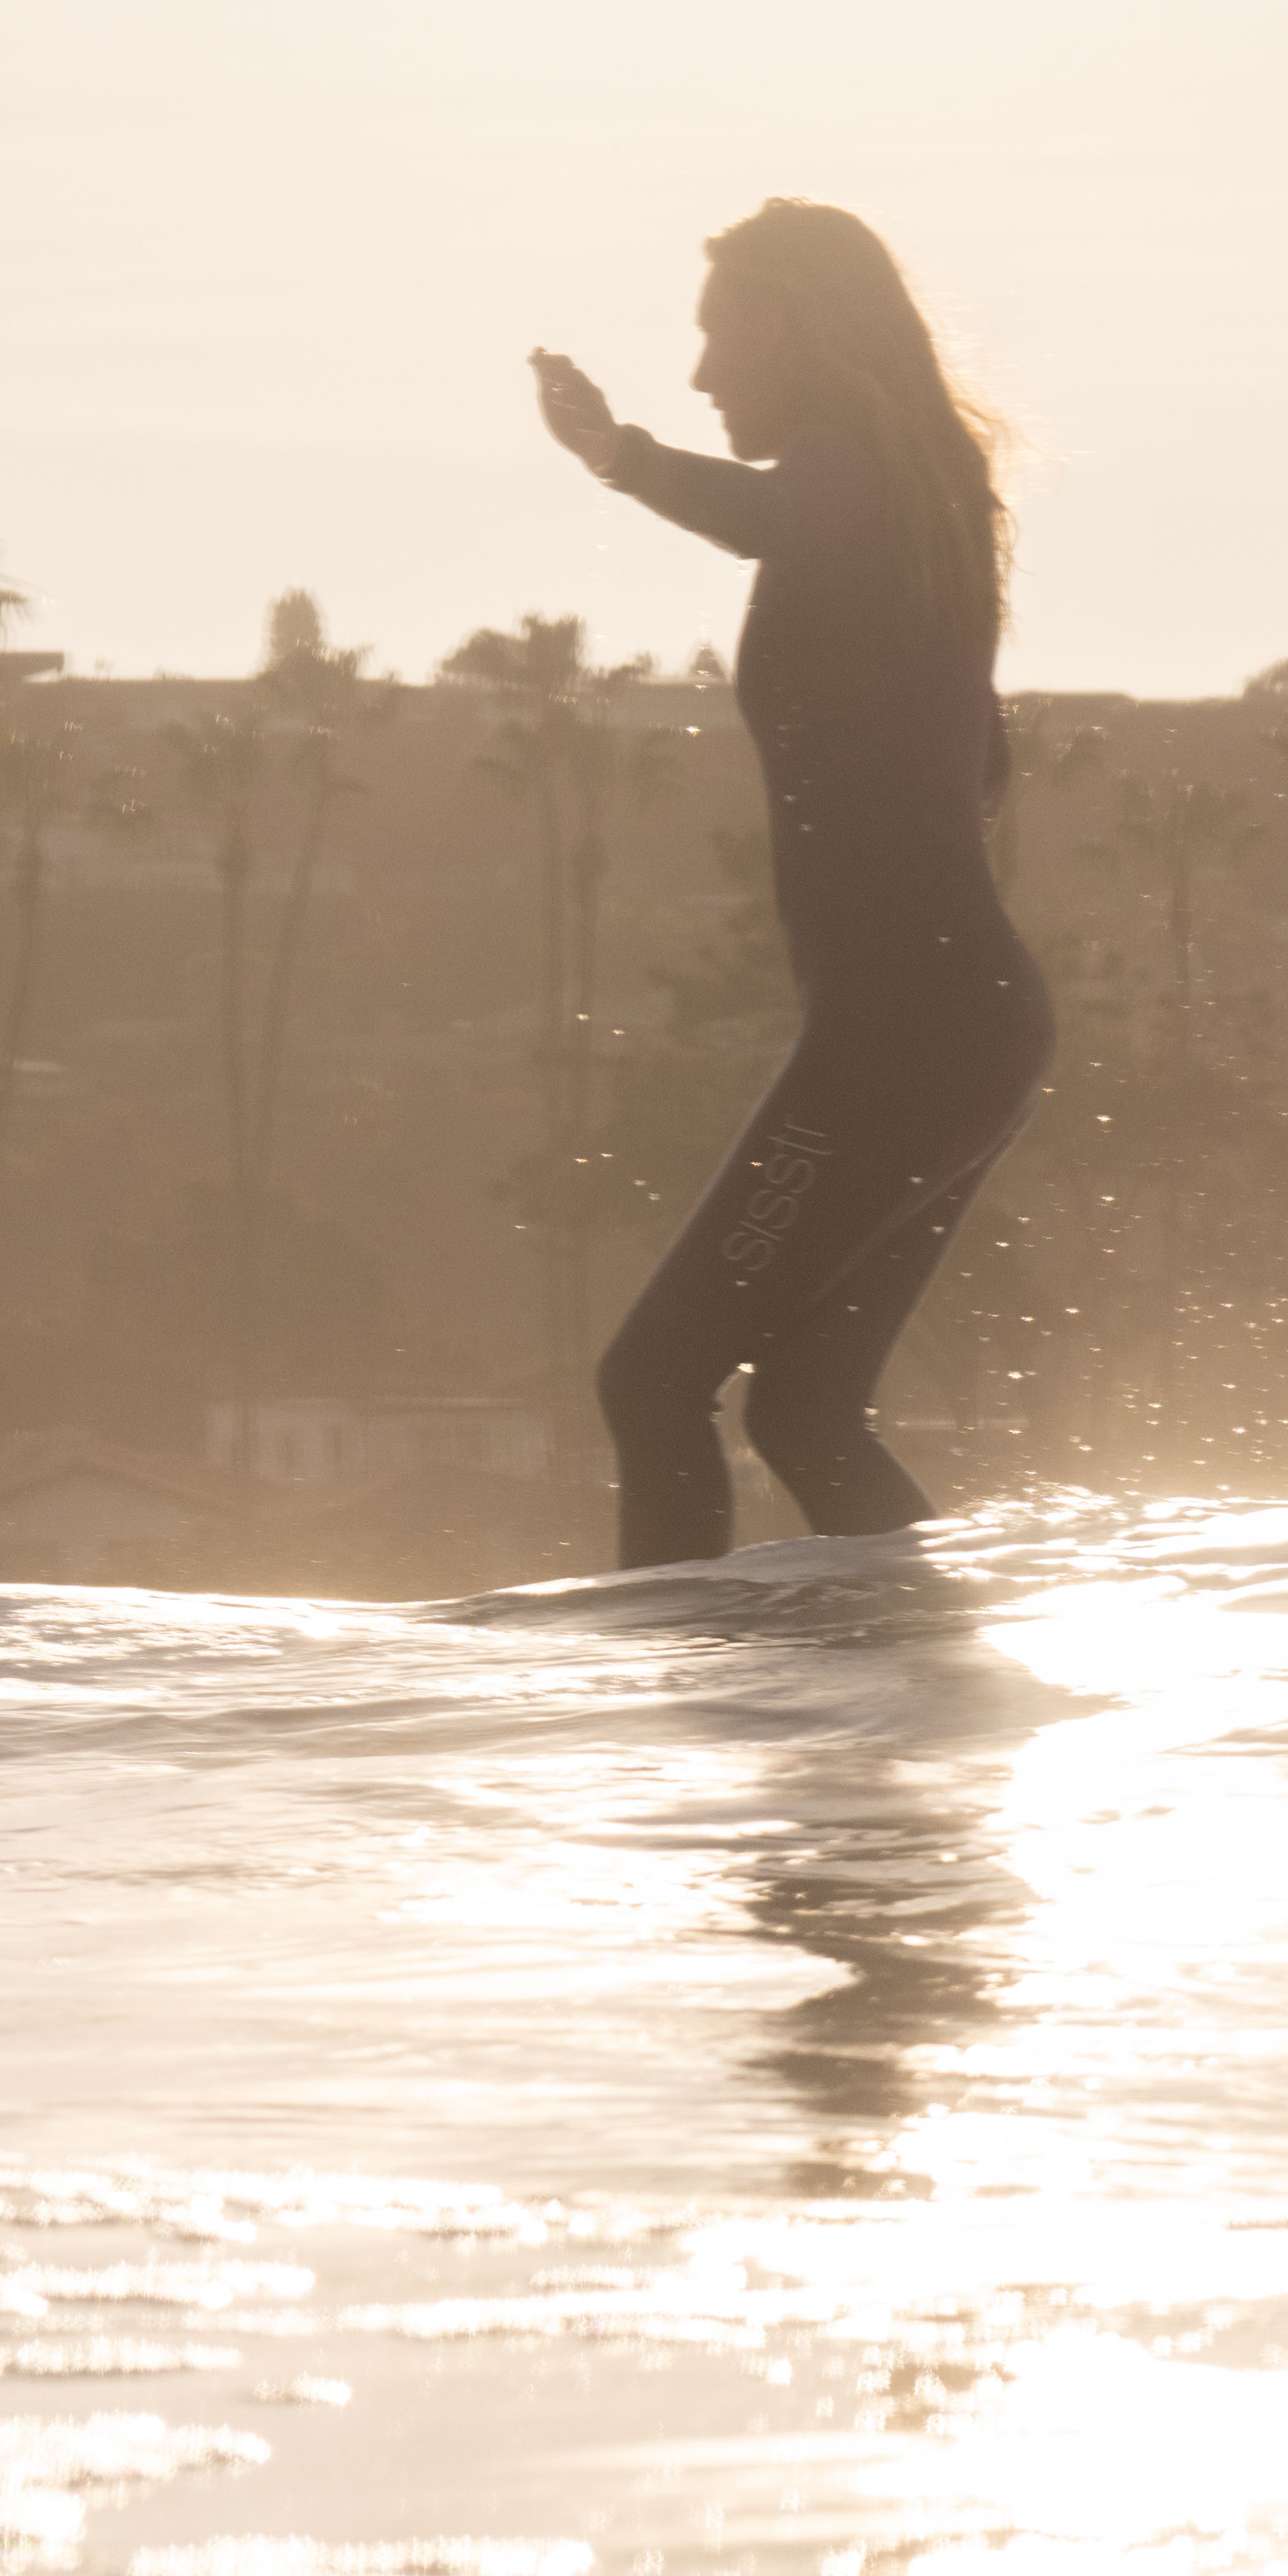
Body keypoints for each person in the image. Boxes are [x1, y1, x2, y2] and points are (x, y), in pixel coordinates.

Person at [526, 199, 1056, 1565]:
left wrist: (619, 456)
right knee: (809, 1414)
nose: (703, 375)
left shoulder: (855, 470)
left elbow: (774, 512)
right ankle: (926, 1693)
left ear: (784, 325)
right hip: (959, 1021)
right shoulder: (921, 507)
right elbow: (978, 764)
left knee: (650, 1385)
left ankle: (692, 1705)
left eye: (716, 338)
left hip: (905, 1029)